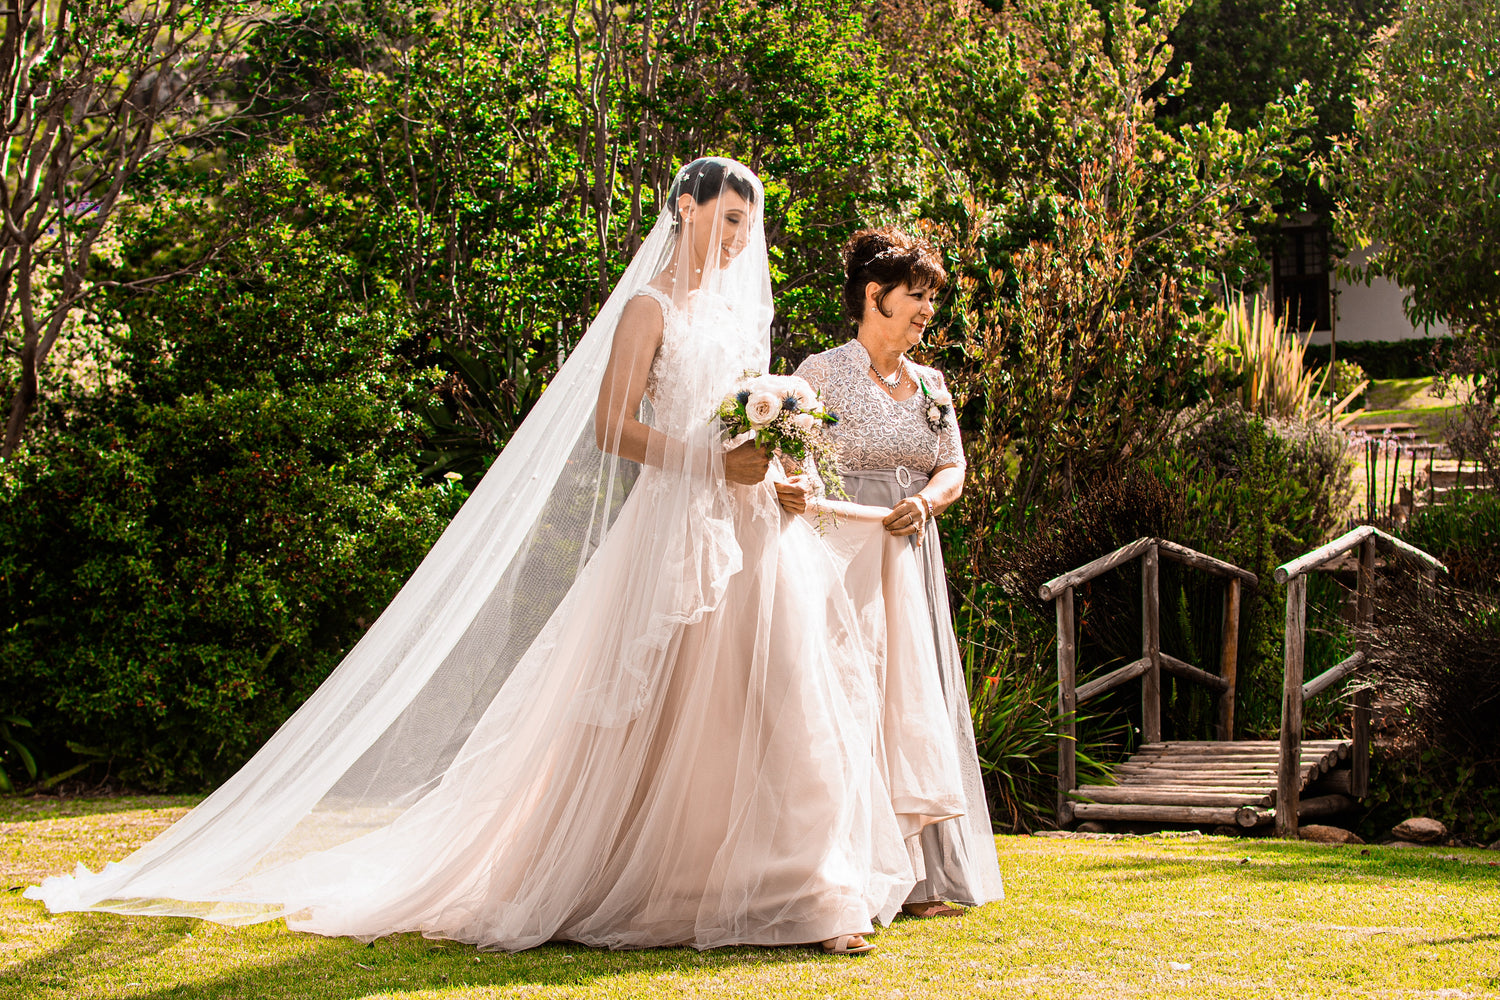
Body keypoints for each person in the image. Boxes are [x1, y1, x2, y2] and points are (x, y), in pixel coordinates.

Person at [27, 160, 966, 955]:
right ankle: (668, 876)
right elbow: (613, 429)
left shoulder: (742, 319)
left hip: (751, 526)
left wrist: (779, 474)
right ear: (685, 209)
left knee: (780, 699)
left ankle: (806, 886)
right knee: (671, 710)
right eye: (727, 222)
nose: (736, 242)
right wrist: (707, 462)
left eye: (746, 228)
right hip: (672, 525)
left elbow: (756, 421)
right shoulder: (647, 308)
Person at [784, 227, 1003, 918]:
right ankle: (848, 872)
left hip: (910, 548)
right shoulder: (820, 371)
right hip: (844, 550)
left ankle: (921, 879)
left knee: (911, 699)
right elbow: (788, 455)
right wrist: (801, 494)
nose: (927, 311)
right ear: (874, 296)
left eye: (930, 299)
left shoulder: (932, 384)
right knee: (851, 696)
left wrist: (926, 501)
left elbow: (954, 466)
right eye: (917, 297)